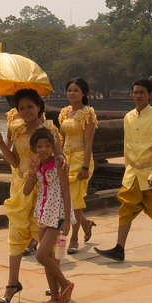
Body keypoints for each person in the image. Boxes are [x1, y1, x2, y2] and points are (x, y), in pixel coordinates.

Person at [0, 89, 62, 303]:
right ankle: (12, 283)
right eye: (21, 108)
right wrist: (1, 143)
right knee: (16, 234)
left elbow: (59, 157)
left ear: (39, 106)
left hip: (44, 190)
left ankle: (56, 283)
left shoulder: (49, 130)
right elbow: (13, 160)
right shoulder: (16, 128)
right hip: (20, 186)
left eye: (30, 106)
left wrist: (58, 161)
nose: (25, 111)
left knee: (47, 240)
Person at [96, 77, 152, 262]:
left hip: (150, 173)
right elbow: (127, 145)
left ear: (149, 95)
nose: (138, 96)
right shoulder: (128, 117)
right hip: (133, 173)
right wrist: (127, 169)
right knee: (126, 208)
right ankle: (119, 248)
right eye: (135, 92)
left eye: (141, 93)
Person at [11, 127, 74, 303]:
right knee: (50, 256)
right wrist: (31, 172)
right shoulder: (37, 166)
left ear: (53, 147)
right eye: (39, 146)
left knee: (41, 255)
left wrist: (68, 220)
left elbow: (67, 192)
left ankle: (65, 283)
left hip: (58, 213)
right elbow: (26, 191)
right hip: (43, 212)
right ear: (34, 148)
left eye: (47, 146)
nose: (43, 149)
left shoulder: (59, 164)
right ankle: (54, 297)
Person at [57, 78, 97, 253]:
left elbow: (89, 142)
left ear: (83, 93)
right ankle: (86, 224)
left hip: (81, 159)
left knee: (75, 198)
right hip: (65, 159)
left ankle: (74, 238)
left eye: (75, 90)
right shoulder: (64, 112)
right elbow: (61, 138)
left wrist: (86, 166)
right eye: (69, 90)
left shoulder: (88, 113)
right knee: (66, 198)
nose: (71, 93)